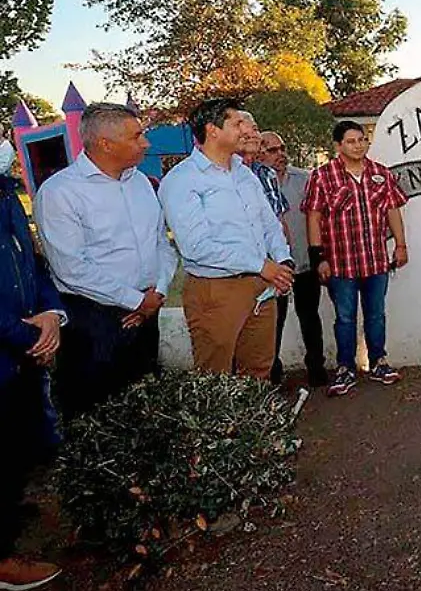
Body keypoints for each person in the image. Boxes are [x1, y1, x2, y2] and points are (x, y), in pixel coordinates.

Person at [33, 103, 178, 420]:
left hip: (147, 311)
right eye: (136, 136)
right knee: (95, 415)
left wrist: (157, 293)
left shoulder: (140, 182)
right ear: (105, 144)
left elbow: (160, 243)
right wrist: (136, 301)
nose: (146, 143)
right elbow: (71, 269)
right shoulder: (60, 192)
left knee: (146, 410)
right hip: (93, 321)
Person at [159, 98, 294, 379]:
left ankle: (256, 411)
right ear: (213, 130)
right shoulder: (182, 180)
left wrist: (284, 260)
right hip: (215, 291)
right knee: (215, 378)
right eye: (237, 123)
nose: (246, 130)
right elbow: (196, 248)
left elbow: (269, 224)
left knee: (259, 372)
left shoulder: (244, 173)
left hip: (262, 287)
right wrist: (262, 265)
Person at [302, 121, 407, 396]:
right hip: (341, 263)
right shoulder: (322, 177)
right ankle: (345, 368)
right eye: (351, 141)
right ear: (338, 146)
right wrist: (318, 257)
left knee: (376, 315)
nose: (358, 146)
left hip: (375, 260)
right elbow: (313, 217)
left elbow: (392, 210)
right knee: (345, 318)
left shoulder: (381, 173)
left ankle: (379, 362)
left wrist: (400, 245)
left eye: (362, 140)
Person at [0, 172, 64, 591]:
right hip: (13, 344)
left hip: (17, 359)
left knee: (9, 463)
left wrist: (50, 315)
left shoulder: (6, 193)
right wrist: (28, 336)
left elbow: (35, 264)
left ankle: (3, 558)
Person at [261, 131, 328, 387]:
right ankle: (272, 373)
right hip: (272, 268)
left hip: (303, 261)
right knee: (273, 322)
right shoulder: (252, 183)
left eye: (282, 148)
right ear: (260, 154)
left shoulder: (304, 180)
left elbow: (319, 218)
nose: (280, 154)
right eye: (273, 150)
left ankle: (317, 368)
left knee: (309, 317)